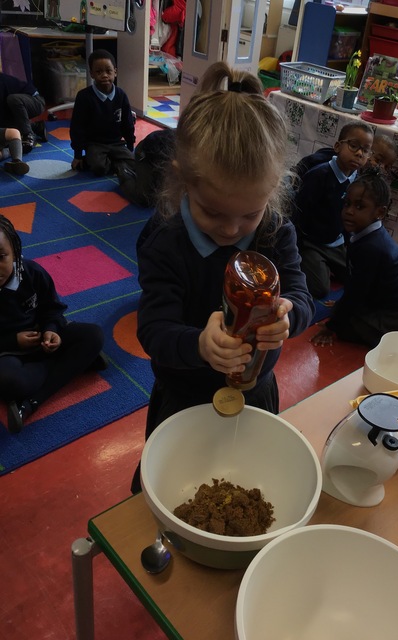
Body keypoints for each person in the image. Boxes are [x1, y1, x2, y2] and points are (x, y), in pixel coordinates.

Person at [130, 61, 315, 493]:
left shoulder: (274, 231)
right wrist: (199, 343)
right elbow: (154, 329)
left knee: (251, 488)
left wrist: (289, 316)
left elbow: (302, 295)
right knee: (169, 492)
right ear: (183, 180)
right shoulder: (165, 243)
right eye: (212, 212)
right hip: (183, 398)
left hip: (256, 392)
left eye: (250, 213)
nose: (232, 229)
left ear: (275, 187)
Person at [0, 215, 107, 433]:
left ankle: (32, 400)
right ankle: (68, 368)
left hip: (41, 339)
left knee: (94, 335)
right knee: (11, 381)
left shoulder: (32, 272)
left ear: (15, 253)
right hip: (7, 353)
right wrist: (14, 341)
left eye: (1, 257)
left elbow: (53, 309)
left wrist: (51, 330)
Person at [311, 170, 398, 348]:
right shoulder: (363, 233)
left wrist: (332, 326)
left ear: (380, 212)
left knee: (345, 329)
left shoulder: (372, 247)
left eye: (359, 207)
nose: (349, 211)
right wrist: (342, 304)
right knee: (348, 311)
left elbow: (357, 292)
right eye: (347, 204)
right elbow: (355, 281)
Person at [292, 122, 374, 300]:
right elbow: (298, 213)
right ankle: (311, 264)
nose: (359, 153)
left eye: (366, 150)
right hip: (311, 243)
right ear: (337, 146)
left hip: (336, 243)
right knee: (320, 289)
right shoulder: (318, 176)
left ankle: (324, 265)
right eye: (353, 146)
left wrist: (349, 246)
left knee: (359, 277)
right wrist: (295, 249)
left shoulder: (357, 180)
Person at [70, 49, 136, 177]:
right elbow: (77, 127)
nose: (104, 75)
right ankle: (97, 161)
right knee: (99, 167)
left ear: (115, 72)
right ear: (91, 74)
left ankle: (114, 164)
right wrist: (77, 155)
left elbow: (127, 123)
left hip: (116, 143)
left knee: (134, 164)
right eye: (99, 72)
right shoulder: (84, 96)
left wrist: (130, 147)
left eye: (108, 71)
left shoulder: (121, 95)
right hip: (95, 144)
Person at [117, 128, 176, 207]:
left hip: (163, 156)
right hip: (146, 155)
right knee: (144, 198)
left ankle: (142, 174)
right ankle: (123, 170)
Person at [0, 72, 47, 153]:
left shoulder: (1, 81)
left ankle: (28, 135)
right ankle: (36, 127)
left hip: (35, 101)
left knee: (13, 99)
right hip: (16, 106)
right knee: (6, 125)